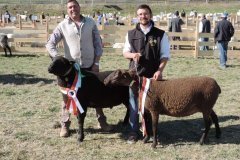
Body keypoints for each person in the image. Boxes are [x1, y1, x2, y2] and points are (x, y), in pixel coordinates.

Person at [46, 0, 113, 138]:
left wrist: (96, 62)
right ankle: (65, 124)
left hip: (89, 66)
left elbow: (98, 44)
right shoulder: (62, 25)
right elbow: (50, 43)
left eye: (75, 6)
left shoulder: (90, 23)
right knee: (67, 97)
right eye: (70, 7)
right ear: (67, 9)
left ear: (79, 7)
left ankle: (102, 122)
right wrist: (57, 58)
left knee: (96, 94)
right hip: (70, 71)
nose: (73, 9)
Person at [123, 4, 170, 143]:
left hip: (152, 77)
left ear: (150, 15)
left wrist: (159, 70)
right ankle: (133, 132)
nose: (143, 16)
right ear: (137, 17)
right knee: (133, 104)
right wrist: (133, 55)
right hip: (135, 75)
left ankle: (149, 130)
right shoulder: (131, 34)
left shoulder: (160, 34)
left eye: (145, 14)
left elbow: (165, 55)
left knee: (151, 105)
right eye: (140, 14)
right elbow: (125, 52)